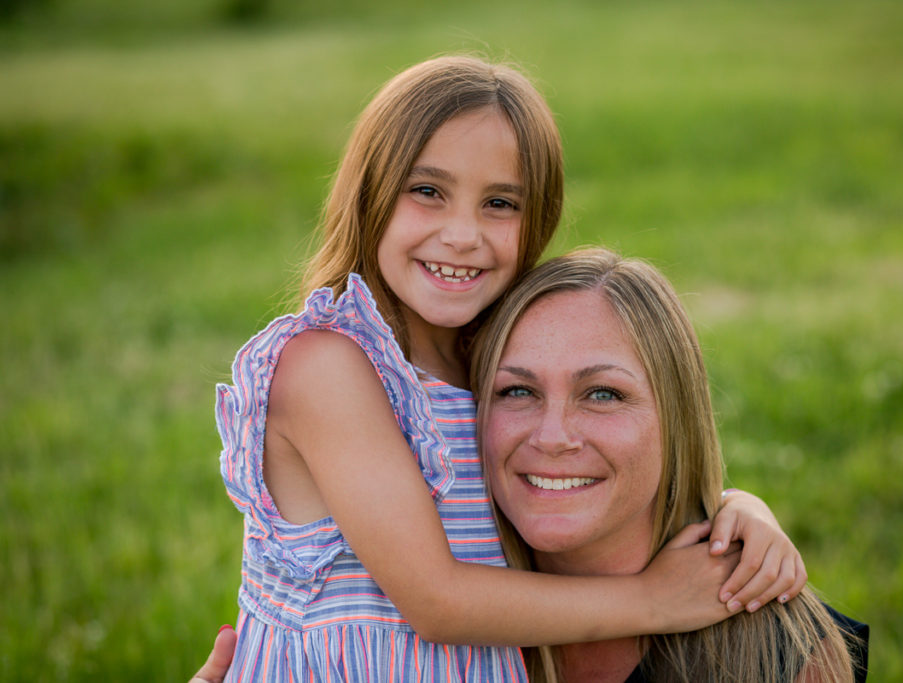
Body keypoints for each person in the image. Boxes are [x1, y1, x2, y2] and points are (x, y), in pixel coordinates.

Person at [209, 55, 809, 682]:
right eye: (427, 191)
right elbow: (437, 602)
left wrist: (740, 511)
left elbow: (566, 479)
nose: (463, 234)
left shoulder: (486, 361)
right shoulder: (330, 365)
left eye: (499, 202)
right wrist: (655, 601)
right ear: (370, 195)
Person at [471, 248, 869, 682]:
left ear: (677, 420)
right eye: (516, 391)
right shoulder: (434, 603)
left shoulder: (778, 655)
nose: (551, 437)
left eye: (603, 394)